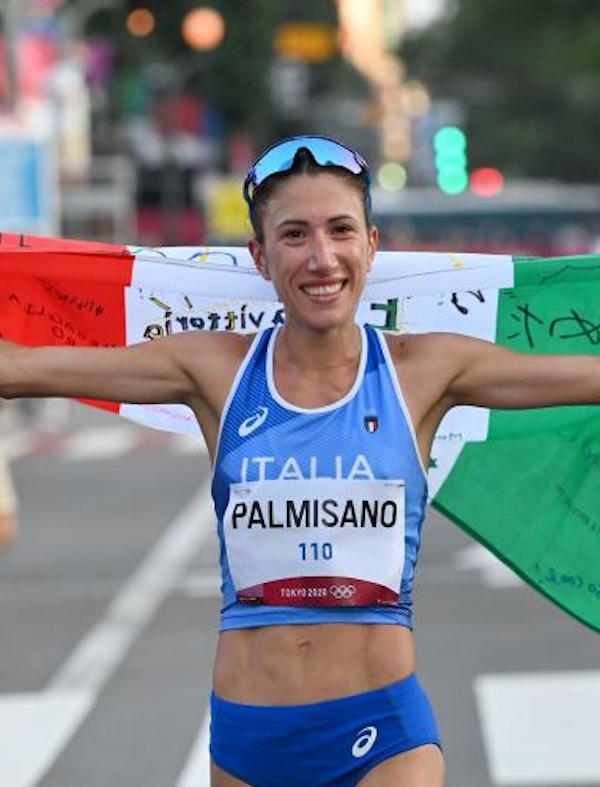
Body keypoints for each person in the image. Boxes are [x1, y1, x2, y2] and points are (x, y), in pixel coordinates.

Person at [1, 135, 600, 786]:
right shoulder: (213, 368)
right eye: (294, 235)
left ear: (371, 244)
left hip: (386, 738)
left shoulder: (425, 369)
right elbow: (16, 366)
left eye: (340, 230)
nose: (322, 257)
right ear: (260, 257)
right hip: (249, 742)